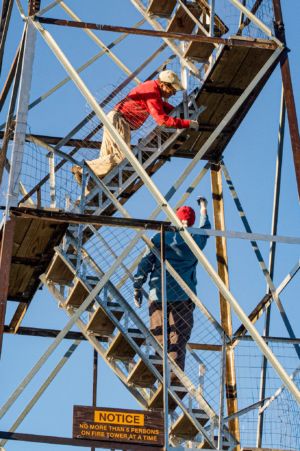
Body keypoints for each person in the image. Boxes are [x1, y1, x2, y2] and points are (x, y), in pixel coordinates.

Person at [72, 70, 199, 184]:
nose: (173, 93)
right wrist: (188, 123)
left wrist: (182, 112)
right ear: (163, 85)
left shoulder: (152, 89)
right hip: (121, 121)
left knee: (106, 161)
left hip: (114, 119)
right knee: (121, 158)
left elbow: (164, 107)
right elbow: (162, 120)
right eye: (172, 90)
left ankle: (88, 190)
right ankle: (82, 168)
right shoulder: (152, 91)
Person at [133, 198, 210, 373]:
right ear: (191, 221)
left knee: (159, 335)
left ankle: (160, 374)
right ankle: (174, 376)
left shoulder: (160, 237)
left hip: (158, 293)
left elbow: (145, 262)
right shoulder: (195, 240)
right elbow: (206, 229)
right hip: (183, 296)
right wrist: (204, 209)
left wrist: (137, 286)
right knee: (179, 338)